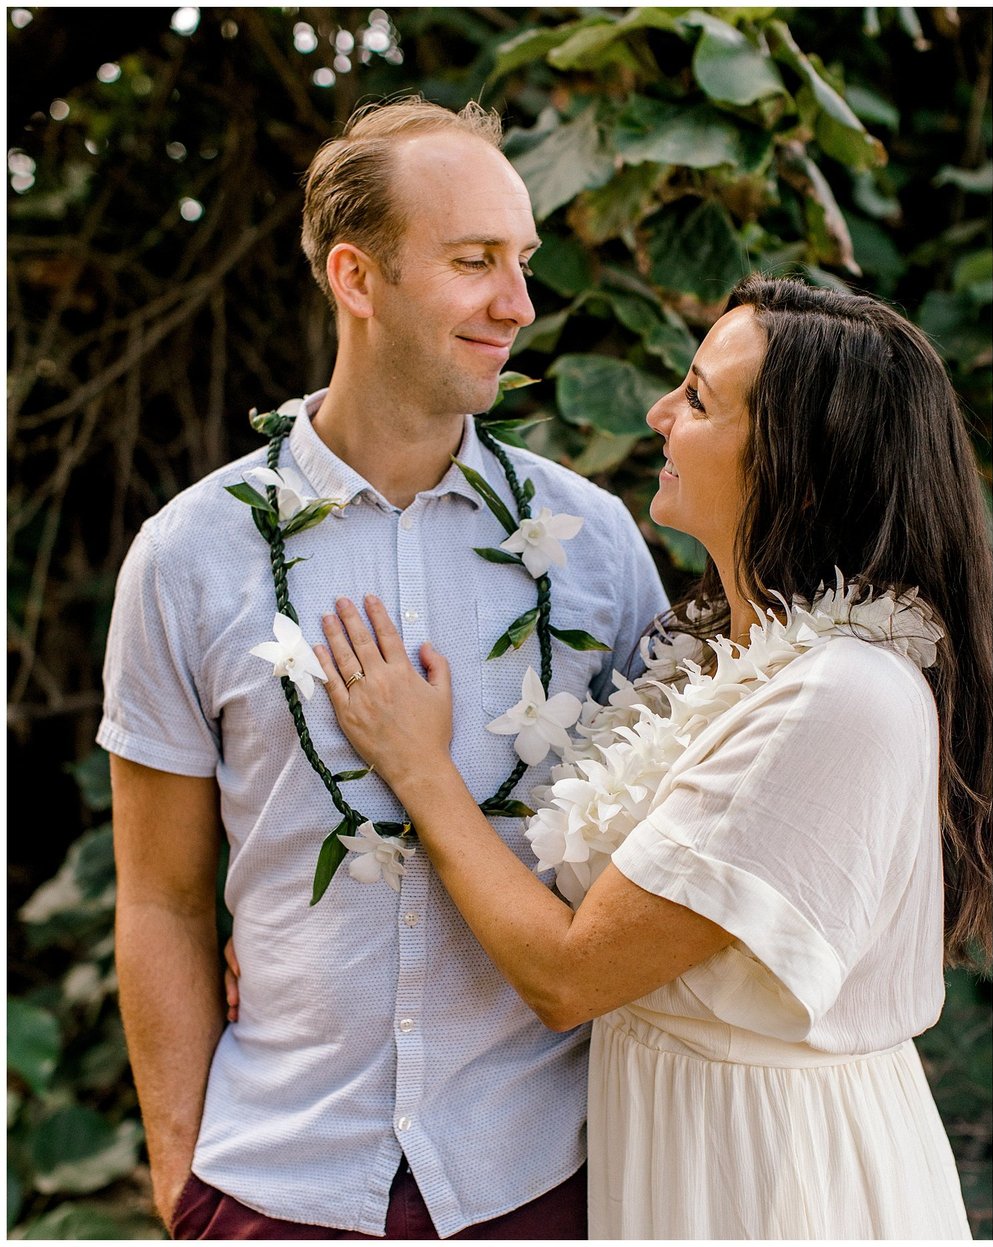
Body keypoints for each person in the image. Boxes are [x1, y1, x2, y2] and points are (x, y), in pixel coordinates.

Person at [301, 274, 992, 1240]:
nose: (662, 414)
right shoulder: (716, 654)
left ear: (797, 470)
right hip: (671, 1151)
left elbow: (570, 974)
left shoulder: (842, 695)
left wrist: (417, 766)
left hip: (770, 1181)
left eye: (701, 399)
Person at [99, 97, 667, 1239]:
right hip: (277, 1184)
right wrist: (182, 1181)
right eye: (474, 262)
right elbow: (160, 896)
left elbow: (660, 861)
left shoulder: (596, 543)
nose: (518, 304)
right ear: (357, 279)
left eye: (522, 262)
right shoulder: (189, 554)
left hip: (538, 1178)